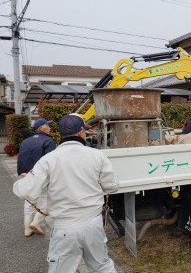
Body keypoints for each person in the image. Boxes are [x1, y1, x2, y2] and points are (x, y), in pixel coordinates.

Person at [13, 114, 119, 273]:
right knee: (102, 267)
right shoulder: (97, 155)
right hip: (93, 224)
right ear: (82, 132)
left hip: (65, 228)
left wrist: (21, 179)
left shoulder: (48, 160)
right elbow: (112, 186)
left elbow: (25, 191)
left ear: (61, 134)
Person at [17, 118, 56, 236]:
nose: (50, 128)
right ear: (41, 128)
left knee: (29, 202)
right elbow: (51, 160)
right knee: (46, 200)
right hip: (41, 175)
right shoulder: (49, 141)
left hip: (26, 174)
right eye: (47, 126)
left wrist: (22, 174)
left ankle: (27, 229)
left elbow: (20, 158)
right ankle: (36, 222)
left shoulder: (25, 141)